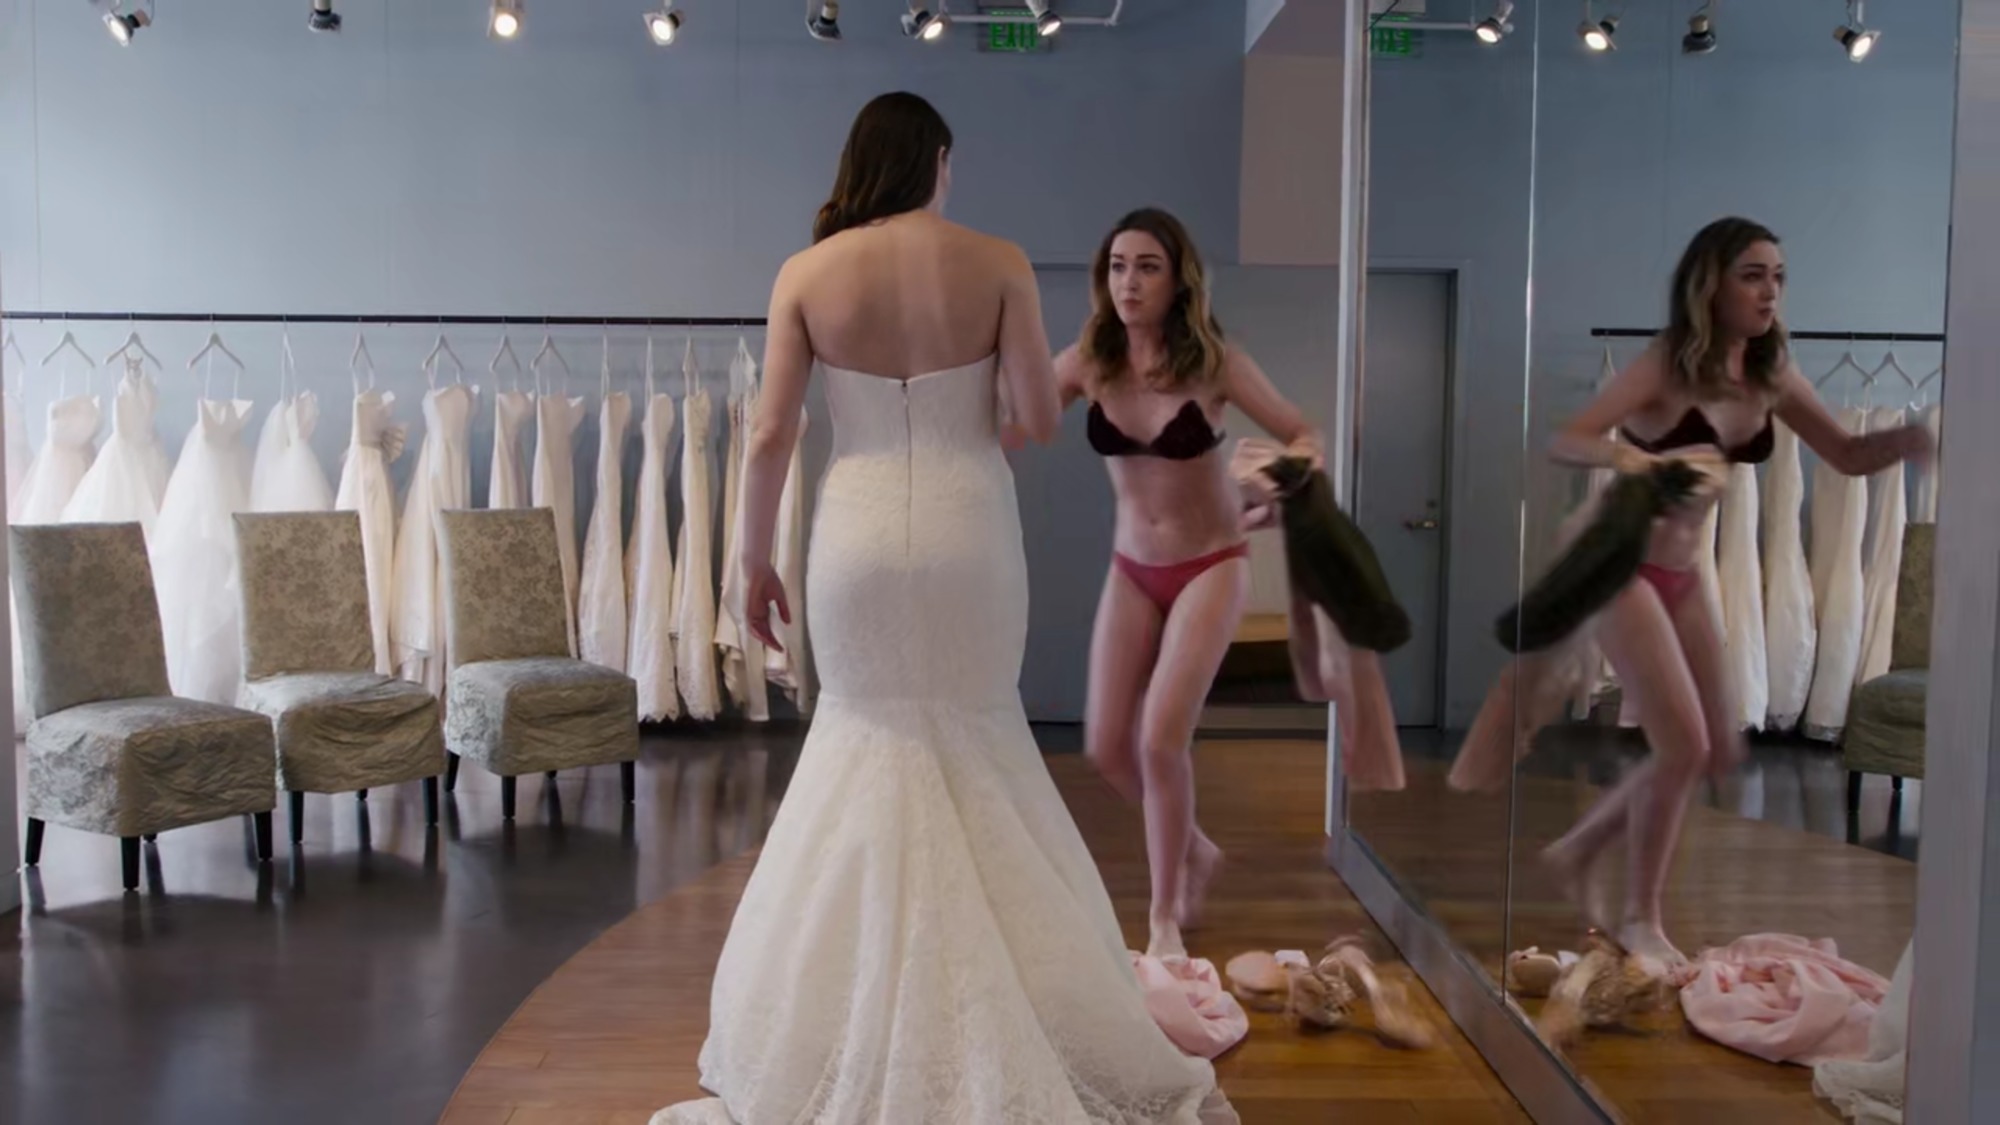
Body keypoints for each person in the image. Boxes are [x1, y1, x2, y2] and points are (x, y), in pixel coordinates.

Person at [653, 94, 1235, 1125]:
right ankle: (1000, 1005)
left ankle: (835, 1021)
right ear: (936, 163)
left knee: (862, 738)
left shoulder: (805, 274)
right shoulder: (998, 261)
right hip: (969, 534)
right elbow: (1032, 415)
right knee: (977, 737)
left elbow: (771, 433)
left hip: (858, 536)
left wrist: (750, 559)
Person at [1537, 216, 1933, 966]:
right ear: (1709, 283)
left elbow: (1847, 454)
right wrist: (1640, 463)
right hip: (1620, 561)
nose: (1770, 291)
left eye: (1778, 277)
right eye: (1753, 275)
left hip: (1682, 570)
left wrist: (1916, 440)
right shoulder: (1666, 362)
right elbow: (1571, 439)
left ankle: (1579, 853)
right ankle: (1640, 917)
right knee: (1685, 744)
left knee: (1712, 745)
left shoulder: (1772, 371)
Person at [1054, 208, 1323, 962]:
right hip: (1131, 568)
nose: (1129, 282)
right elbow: (1016, 416)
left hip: (1212, 563)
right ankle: (1194, 848)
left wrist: (1280, 483)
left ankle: (1164, 914)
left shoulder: (1216, 362)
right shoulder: (1089, 360)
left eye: (1147, 267)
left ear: (1178, 282)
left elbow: (1306, 435)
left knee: (1160, 740)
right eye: (1117, 266)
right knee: (1108, 747)